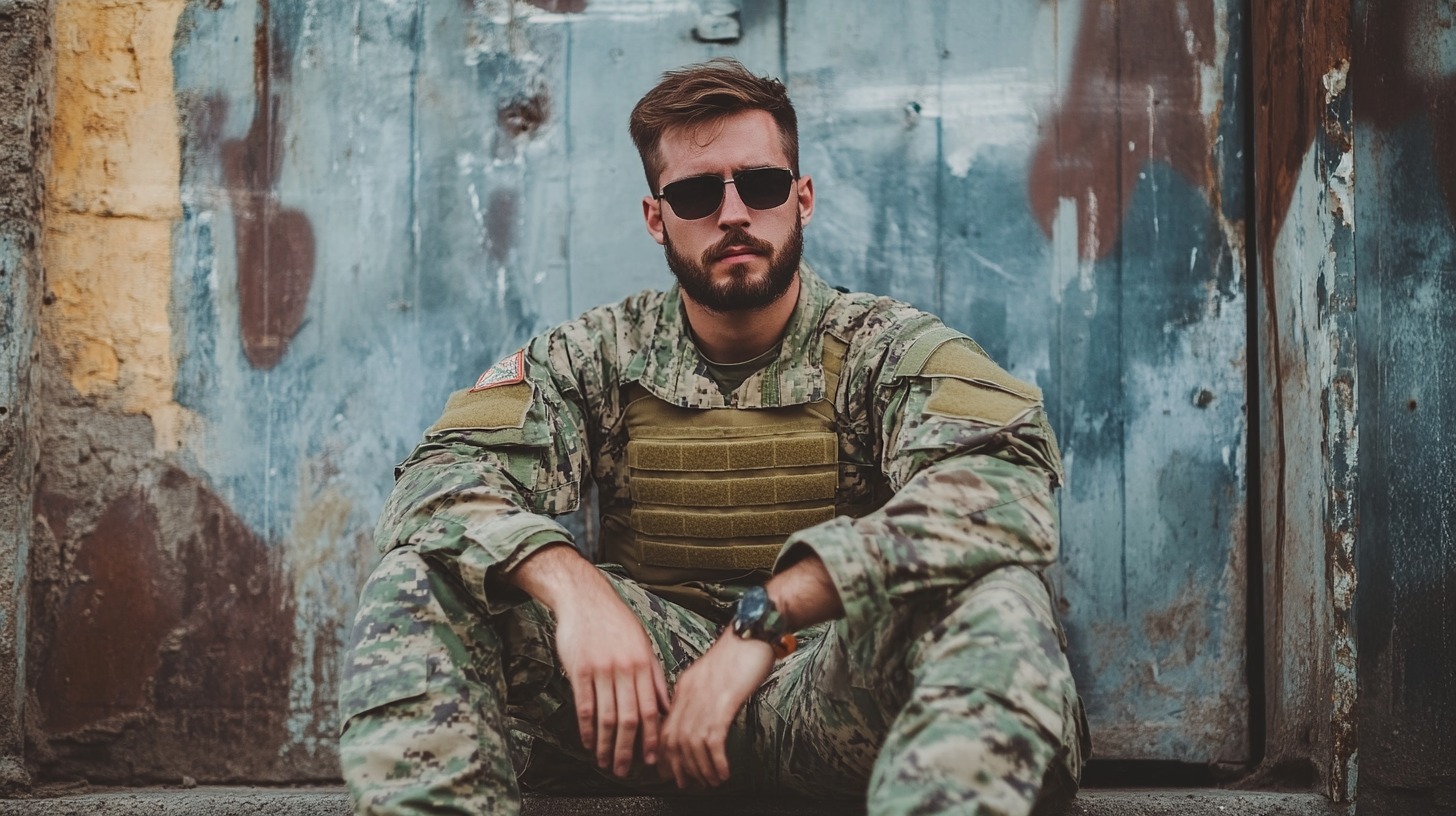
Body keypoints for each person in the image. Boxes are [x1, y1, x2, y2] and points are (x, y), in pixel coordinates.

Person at [338, 58, 1089, 816]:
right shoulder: (598, 354)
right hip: (645, 708)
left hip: (831, 698)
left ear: (802, 199)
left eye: (760, 185)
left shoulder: (881, 348)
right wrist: (573, 588)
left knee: (996, 593)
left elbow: (1005, 490)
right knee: (420, 577)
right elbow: (434, 487)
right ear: (656, 218)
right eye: (697, 193)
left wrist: (766, 618)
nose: (733, 214)